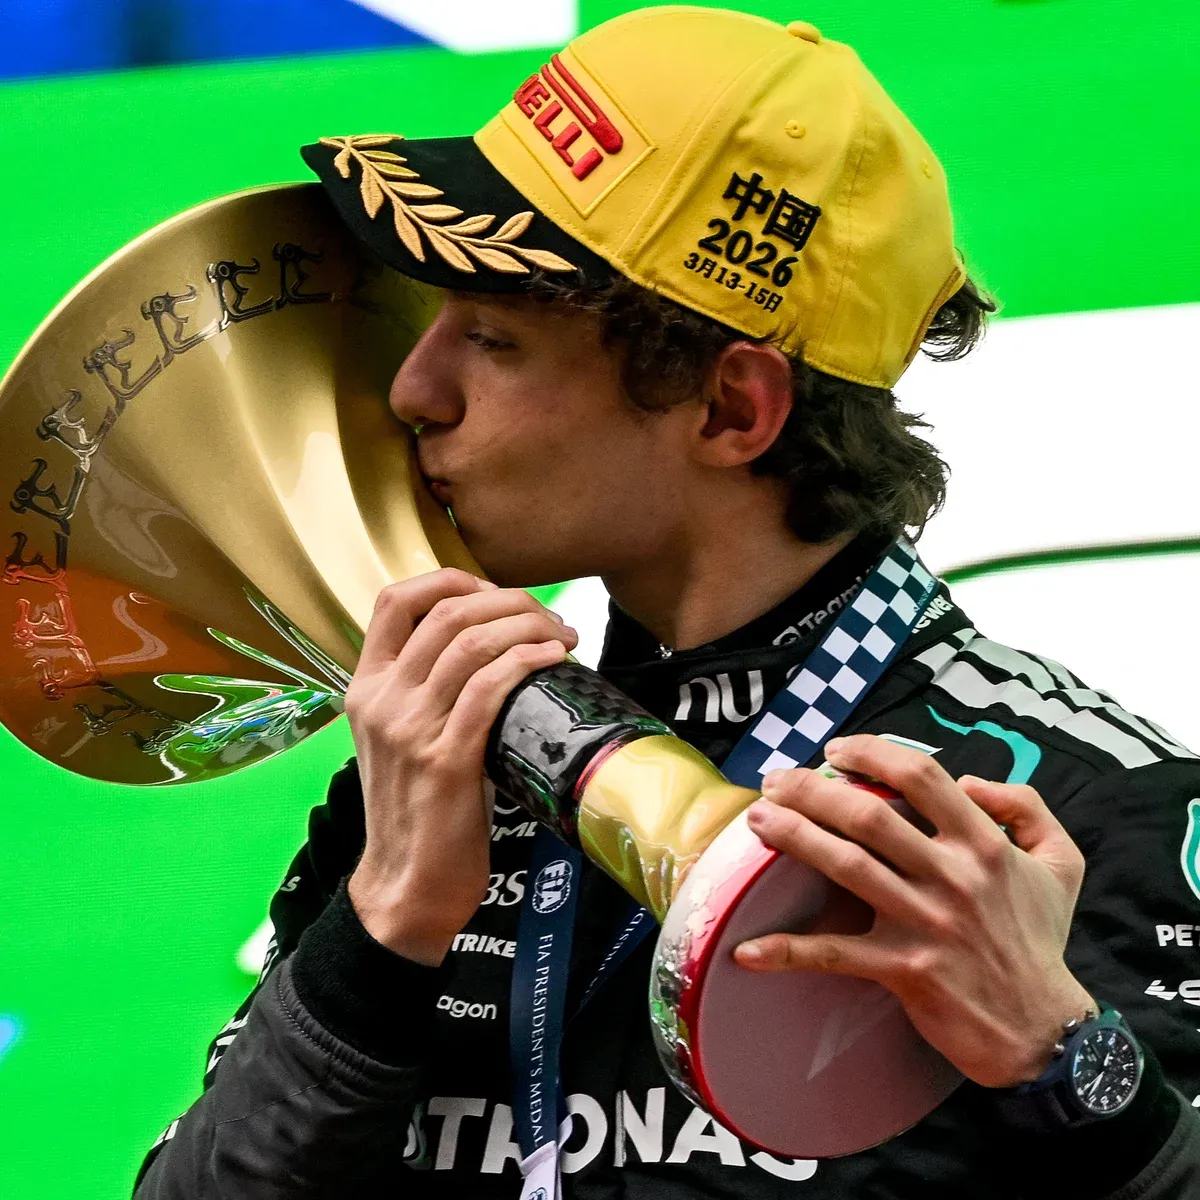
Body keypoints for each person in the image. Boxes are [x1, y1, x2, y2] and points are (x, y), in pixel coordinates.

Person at [133, 7, 1200, 1197]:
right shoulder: (438, 769)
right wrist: (381, 926)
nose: (413, 388)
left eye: (492, 336)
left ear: (732, 409)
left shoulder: (1086, 809)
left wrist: (1061, 1054)